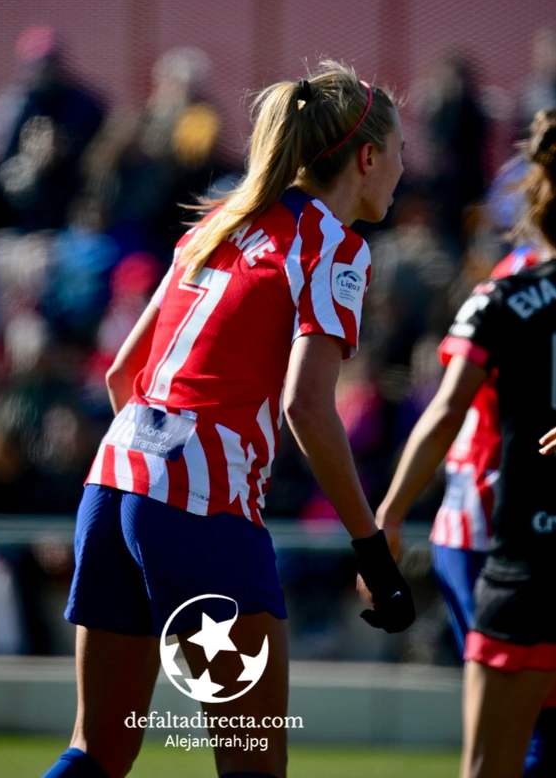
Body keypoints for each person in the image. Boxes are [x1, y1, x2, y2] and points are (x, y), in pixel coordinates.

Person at [42, 61, 414, 778]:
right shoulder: (333, 246)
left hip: (113, 480)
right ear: (368, 158)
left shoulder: (220, 220)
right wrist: (371, 550)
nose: (403, 168)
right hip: (200, 502)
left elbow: (122, 373)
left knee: (96, 752)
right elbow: (307, 406)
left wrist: (151, 489)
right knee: (252, 765)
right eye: (399, 150)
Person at [374, 109, 556, 778]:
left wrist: (387, 517)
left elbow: (446, 406)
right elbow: (454, 411)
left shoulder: (505, 290)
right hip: (490, 514)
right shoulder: (509, 284)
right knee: (530, 729)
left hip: (503, 525)